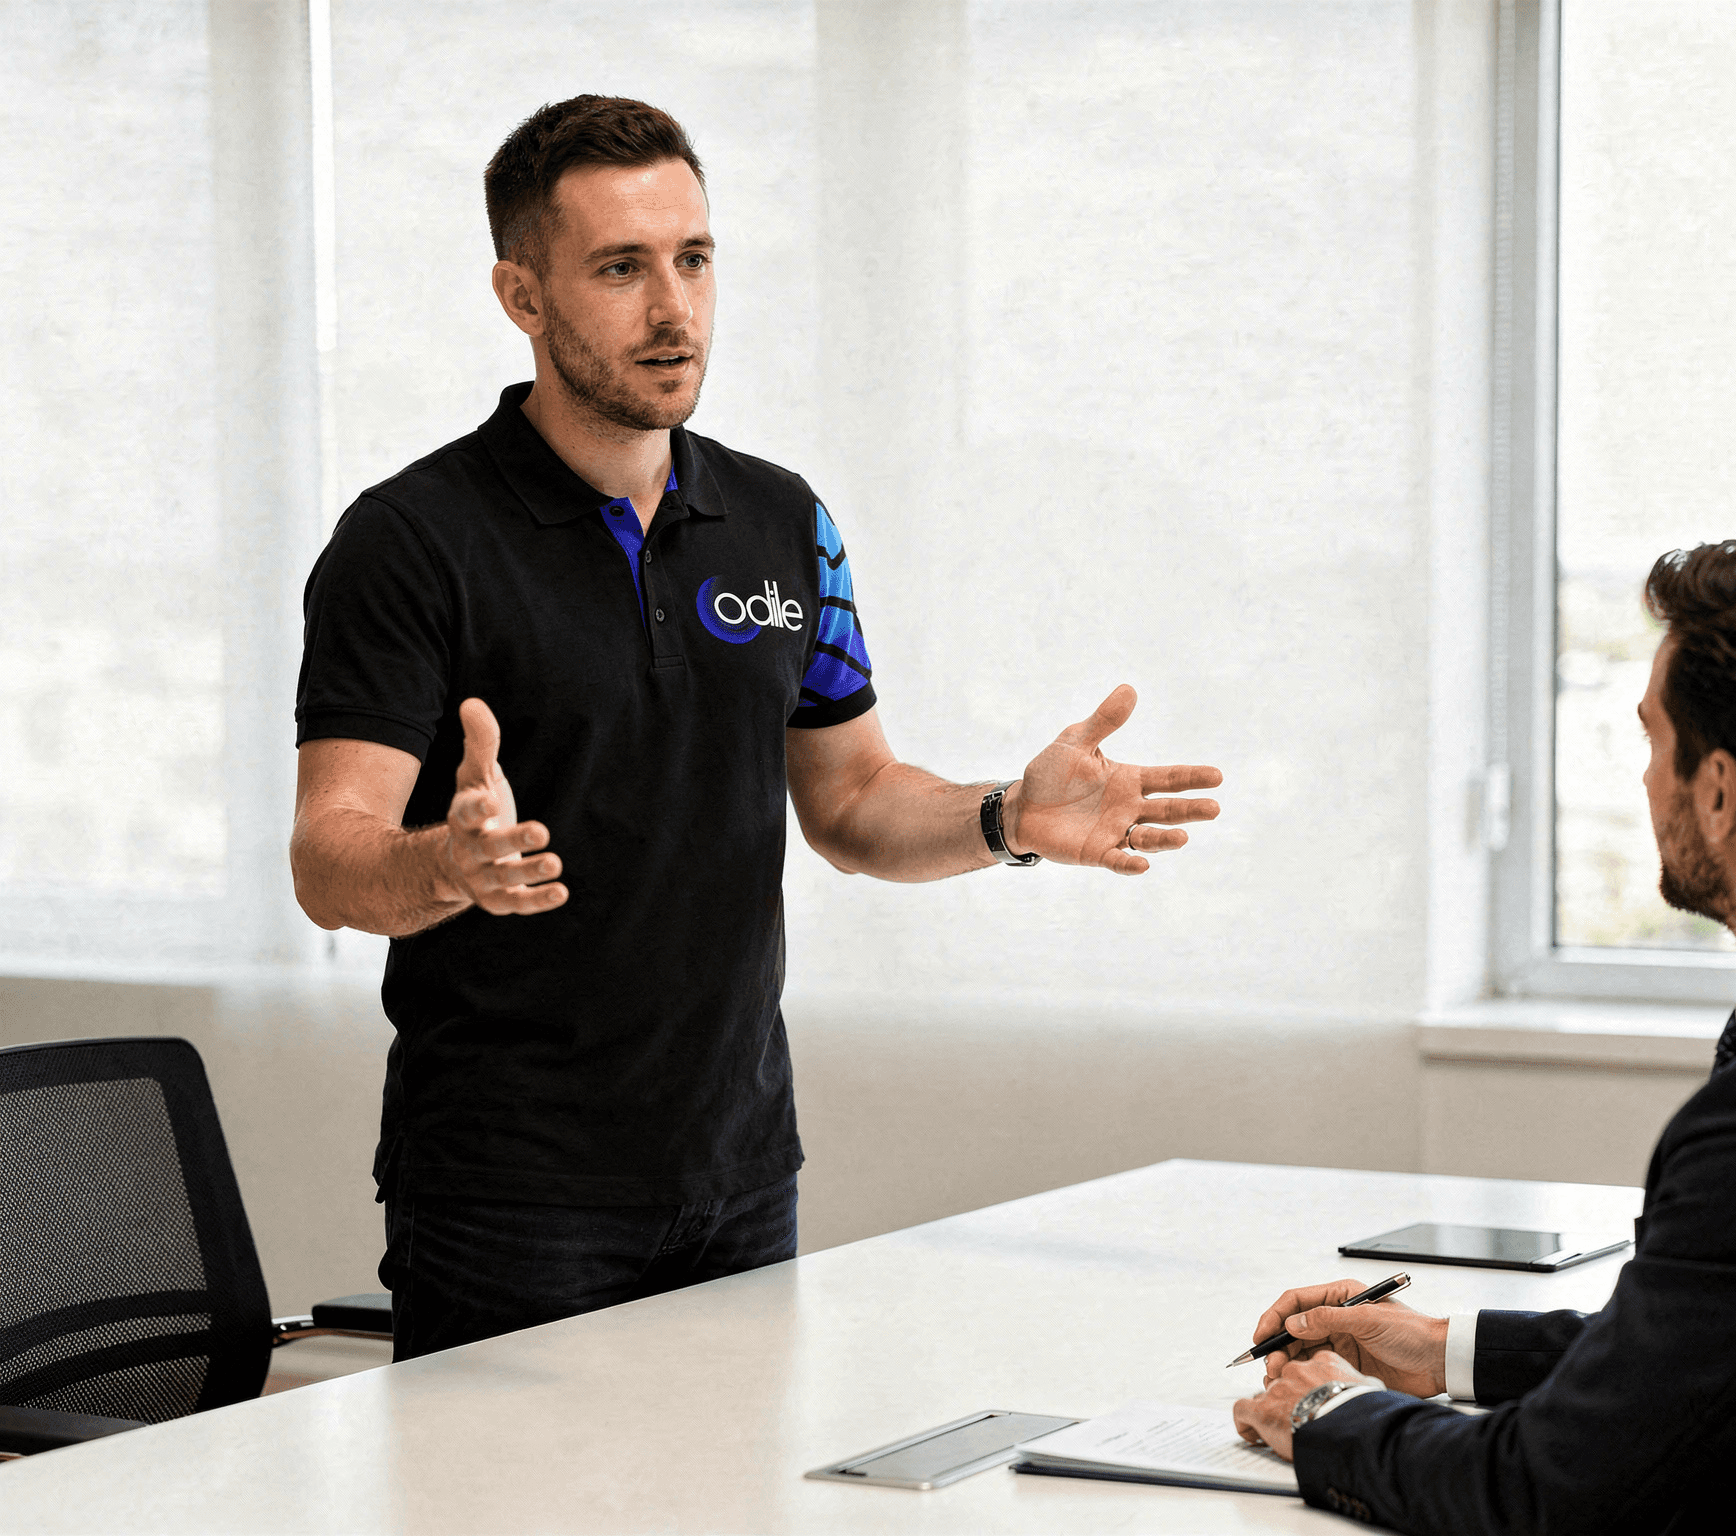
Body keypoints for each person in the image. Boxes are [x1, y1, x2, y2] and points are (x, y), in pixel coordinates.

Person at [289, 95, 1222, 1361]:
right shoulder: (409, 542)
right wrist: (446, 865)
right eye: (620, 268)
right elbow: (328, 856)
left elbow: (852, 802)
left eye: (693, 258)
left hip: (736, 1175)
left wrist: (1006, 818)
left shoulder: (785, 523)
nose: (672, 308)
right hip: (512, 1193)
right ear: (521, 295)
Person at [1233, 536, 1736, 1533]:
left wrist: (1324, 1417)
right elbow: (1718, 1342)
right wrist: (1445, 1347)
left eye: (1652, 741)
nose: (1646, 778)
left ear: (1718, 792)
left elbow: (1543, 1492)